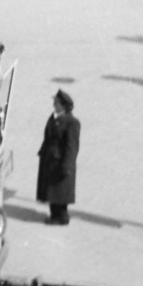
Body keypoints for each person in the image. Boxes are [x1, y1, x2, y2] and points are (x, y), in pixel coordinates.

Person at [36, 90, 80, 225]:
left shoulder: (71, 123)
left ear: (63, 105)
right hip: (50, 160)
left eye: (56, 102)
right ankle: (54, 214)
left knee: (59, 191)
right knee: (52, 190)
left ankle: (61, 217)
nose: (53, 104)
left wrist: (67, 166)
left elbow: (72, 147)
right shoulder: (54, 117)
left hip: (60, 162)